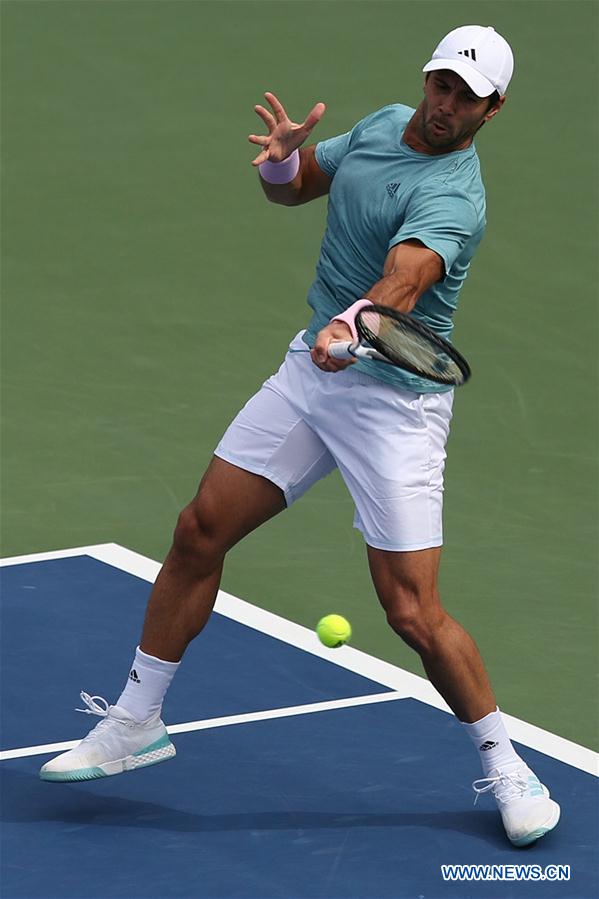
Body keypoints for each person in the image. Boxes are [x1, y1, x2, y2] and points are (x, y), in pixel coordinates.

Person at [41, 25, 560, 847]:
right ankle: (136, 718)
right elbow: (296, 188)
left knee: (411, 610)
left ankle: (506, 764)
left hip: (394, 406)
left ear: (491, 111)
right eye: (440, 84)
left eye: (465, 98)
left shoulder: (454, 199)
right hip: (311, 375)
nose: (444, 104)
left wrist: (352, 324)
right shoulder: (384, 123)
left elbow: (405, 279)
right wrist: (283, 162)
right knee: (198, 529)